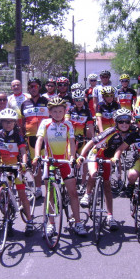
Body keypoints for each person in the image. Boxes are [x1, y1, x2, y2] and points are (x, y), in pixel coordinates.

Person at [32, 97, 88, 236]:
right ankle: (51, 223)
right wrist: (37, 155)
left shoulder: (68, 124)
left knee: (73, 193)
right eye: (54, 111)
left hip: (64, 161)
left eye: (60, 111)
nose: (57, 114)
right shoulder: (45, 123)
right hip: (49, 161)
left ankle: (78, 222)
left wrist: (72, 157)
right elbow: (39, 140)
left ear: (65, 111)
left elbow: (72, 142)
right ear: (49, 112)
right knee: (49, 193)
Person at [76, 109, 134, 232]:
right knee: (94, 174)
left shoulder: (132, 132)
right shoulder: (110, 131)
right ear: (116, 122)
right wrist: (82, 155)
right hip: (96, 154)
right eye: (121, 121)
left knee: (107, 185)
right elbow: (91, 142)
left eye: (127, 121)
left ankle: (110, 216)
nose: (124, 124)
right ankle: (87, 194)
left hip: (108, 158)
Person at [0, 108, 35, 237]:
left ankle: (29, 221)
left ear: (14, 123)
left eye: (11, 122)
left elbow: (23, 152)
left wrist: (23, 163)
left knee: (22, 194)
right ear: (1, 123)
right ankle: (7, 218)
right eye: (5, 122)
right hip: (3, 166)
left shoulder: (17, 135)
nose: (8, 124)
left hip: (16, 167)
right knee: (3, 195)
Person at [20, 77, 50, 199]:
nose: (33, 88)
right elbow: (22, 122)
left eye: (36, 86)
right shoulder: (24, 104)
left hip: (46, 136)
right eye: (31, 86)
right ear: (28, 88)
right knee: (35, 164)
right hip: (31, 137)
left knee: (48, 163)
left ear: (39, 87)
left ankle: (49, 189)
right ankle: (38, 189)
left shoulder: (47, 101)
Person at [65, 89, 94, 189]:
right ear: (74, 100)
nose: (79, 101)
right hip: (71, 138)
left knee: (84, 160)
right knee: (70, 158)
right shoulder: (70, 110)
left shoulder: (87, 111)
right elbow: (66, 121)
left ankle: (83, 182)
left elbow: (90, 125)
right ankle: (70, 178)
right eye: (77, 100)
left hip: (82, 138)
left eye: (81, 99)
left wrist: (93, 137)